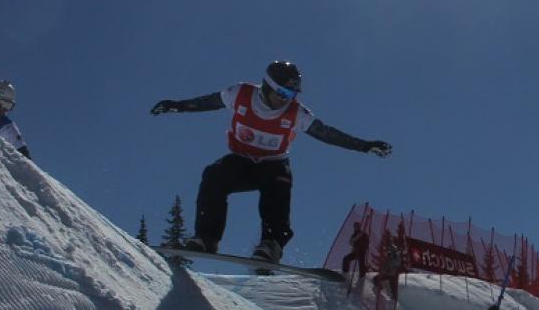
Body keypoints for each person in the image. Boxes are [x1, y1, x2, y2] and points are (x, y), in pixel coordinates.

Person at [150, 61, 391, 263]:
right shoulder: (241, 94)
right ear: (267, 87)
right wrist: (177, 106)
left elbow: (327, 134)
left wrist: (364, 145)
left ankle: (271, 243)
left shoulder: (296, 112)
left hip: (273, 165)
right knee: (213, 175)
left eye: (292, 95)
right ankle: (206, 238)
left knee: (278, 186)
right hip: (241, 162)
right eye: (283, 94)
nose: (286, 100)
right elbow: (209, 102)